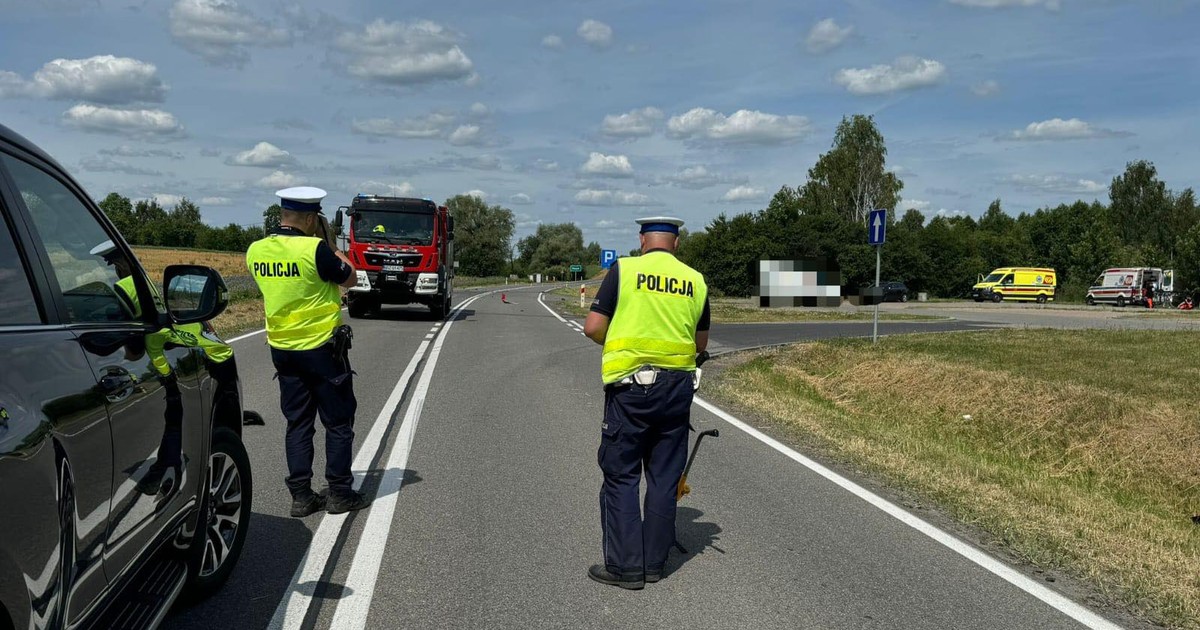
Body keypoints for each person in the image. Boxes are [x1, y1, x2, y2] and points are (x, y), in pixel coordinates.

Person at [582, 216, 711, 590]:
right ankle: (654, 564)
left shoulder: (624, 270)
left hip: (631, 391)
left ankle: (626, 568)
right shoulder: (695, 281)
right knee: (663, 477)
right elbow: (700, 343)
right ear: (677, 243)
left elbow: (593, 327)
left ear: (642, 240)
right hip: (677, 391)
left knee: (622, 475)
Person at [246, 186, 369, 518]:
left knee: (298, 423)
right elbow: (351, 279)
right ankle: (340, 493)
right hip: (322, 350)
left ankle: (301, 496)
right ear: (313, 218)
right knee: (338, 422)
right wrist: (330, 244)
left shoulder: (256, 250)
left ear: (282, 215)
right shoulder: (315, 249)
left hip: (283, 351)